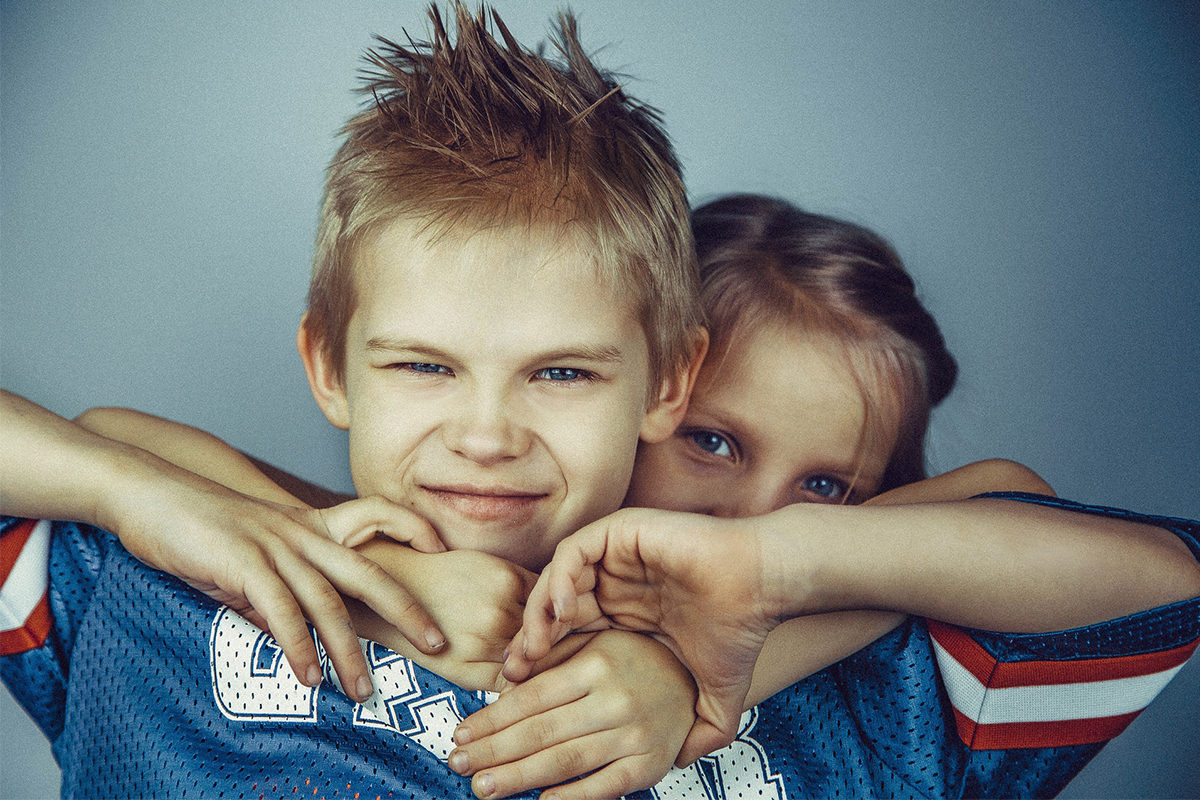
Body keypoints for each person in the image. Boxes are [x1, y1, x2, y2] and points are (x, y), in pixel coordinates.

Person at [57, 196, 1200, 799]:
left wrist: (769, 594)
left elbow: (1115, 549)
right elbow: (117, 444)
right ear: (652, 397)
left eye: (826, 491)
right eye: (709, 440)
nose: (747, 516)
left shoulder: (878, 672)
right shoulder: (360, 556)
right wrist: (391, 568)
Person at [0, 5, 709, 797]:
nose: (486, 437)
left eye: (562, 374)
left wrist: (701, 670)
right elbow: (97, 442)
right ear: (330, 368)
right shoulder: (149, 589)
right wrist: (132, 491)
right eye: (423, 367)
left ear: (669, 382)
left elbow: (873, 558)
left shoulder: (735, 660)